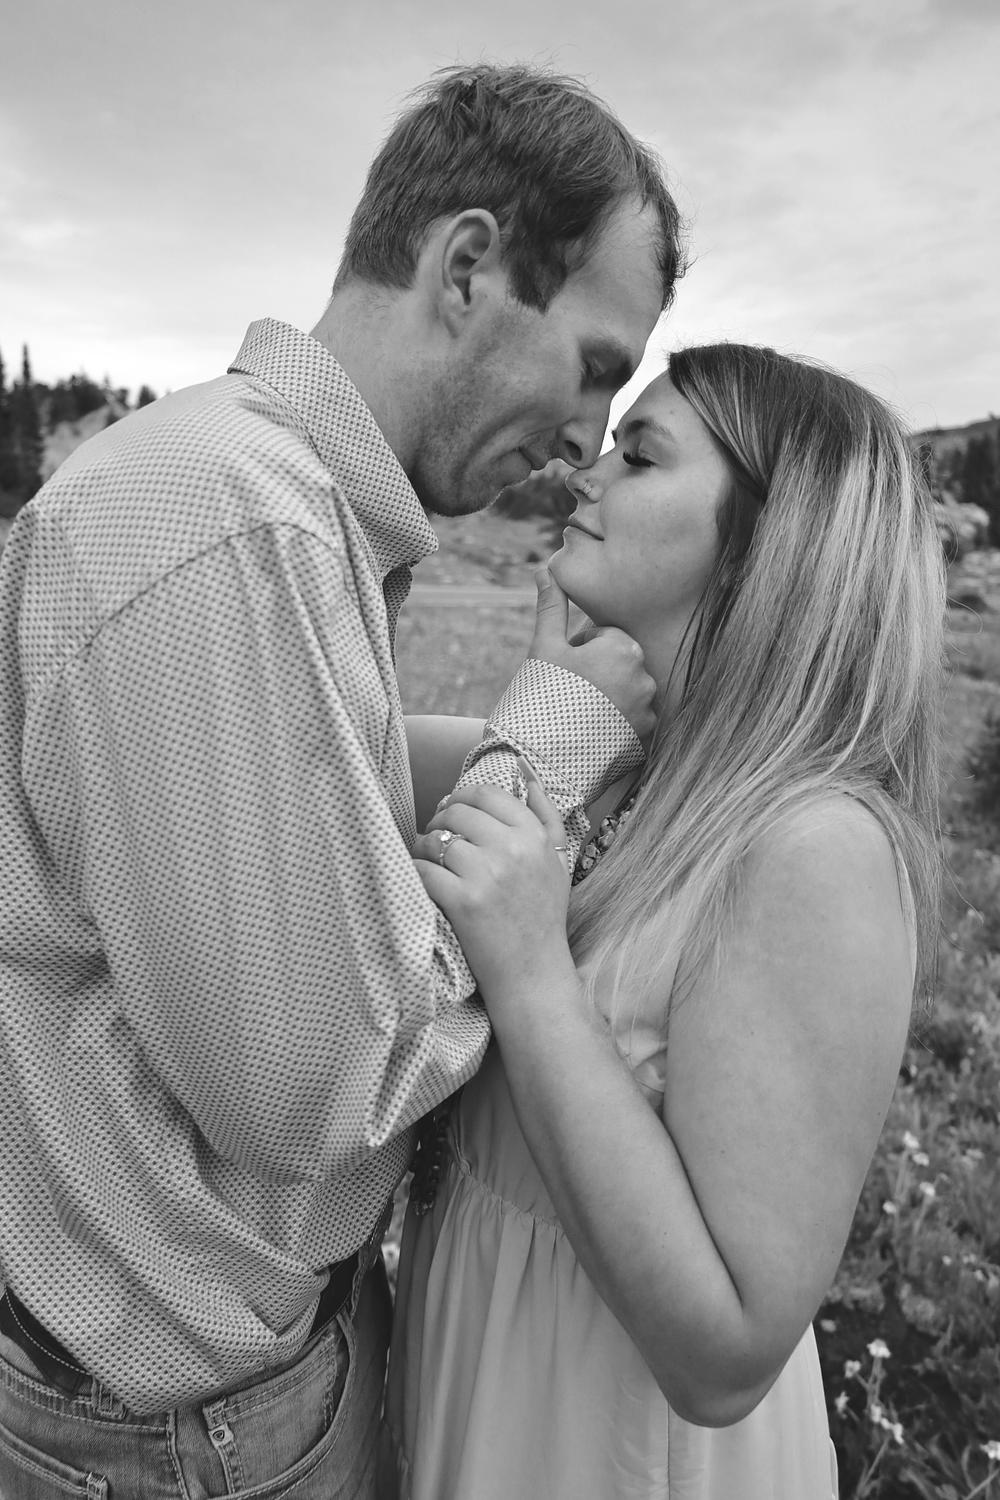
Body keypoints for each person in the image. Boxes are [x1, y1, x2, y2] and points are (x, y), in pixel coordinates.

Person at [0, 64, 683, 1498]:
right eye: (595, 365)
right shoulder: (232, 526)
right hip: (174, 1433)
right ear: (468, 265)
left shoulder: (272, 506)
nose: (586, 440)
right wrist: (551, 739)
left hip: (201, 1388)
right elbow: (316, 1084)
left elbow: (298, 818)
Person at [382, 344, 945, 1500]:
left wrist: (531, 975)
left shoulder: (812, 847)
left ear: (762, 542)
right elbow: (338, 756)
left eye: (638, 455)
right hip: (483, 1392)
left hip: (607, 1453)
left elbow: (726, 1351)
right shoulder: (622, 765)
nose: (582, 473)